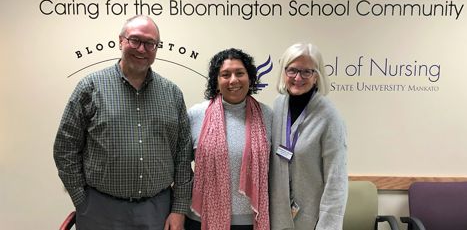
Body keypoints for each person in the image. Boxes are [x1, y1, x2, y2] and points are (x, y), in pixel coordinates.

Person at [53, 15, 193, 230]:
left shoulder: (172, 94)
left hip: (158, 211)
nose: (142, 49)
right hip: (100, 210)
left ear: (156, 48)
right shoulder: (90, 87)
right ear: (121, 41)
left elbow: (183, 156)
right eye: (135, 40)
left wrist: (179, 209)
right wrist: (83, 201)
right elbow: (65, 148)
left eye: (150, 43)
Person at [184, 48, 272, 230]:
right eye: (225, 74)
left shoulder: (267, 116)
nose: (233, 80)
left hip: (251, 222)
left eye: (240, 73)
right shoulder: (196, 115)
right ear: (216, 81)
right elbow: (181, 167)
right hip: (201, 219)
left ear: (250, 78)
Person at [269, 43, 347, 230]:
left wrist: (327, 226)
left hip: (312, 221)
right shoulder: (278, 106)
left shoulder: (329, 116)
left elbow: (336, 180)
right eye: (292, 70)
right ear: (284, 71)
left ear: (316, 76)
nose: (298, 78)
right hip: (278, 218)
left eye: (306, 72)